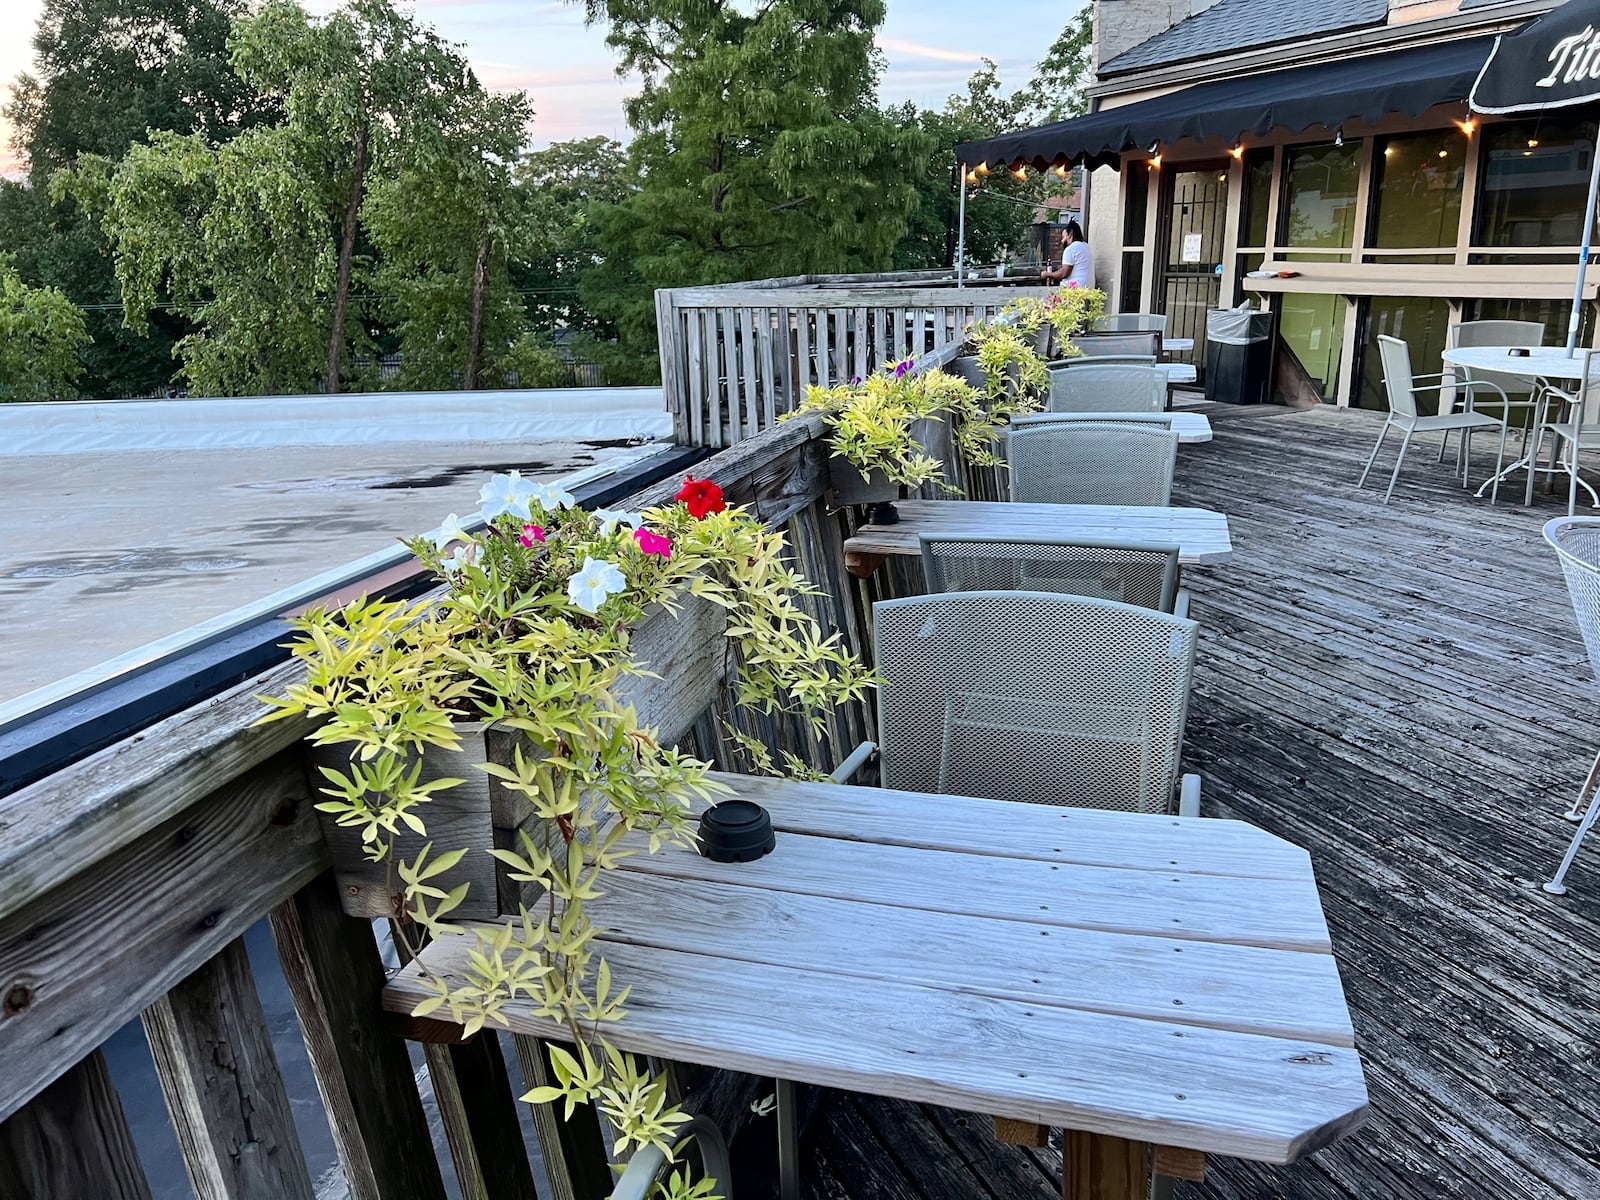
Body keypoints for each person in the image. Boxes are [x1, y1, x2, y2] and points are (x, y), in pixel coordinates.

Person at [1042, 219, 1093, 288]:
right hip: (1089, 288)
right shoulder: (1086, 246)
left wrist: (1047, 274)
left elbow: (1064, 273)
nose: (1062, 241)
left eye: (1063, 237)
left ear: (1070, 234)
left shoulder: (1071, 249)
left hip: (1075, 290)